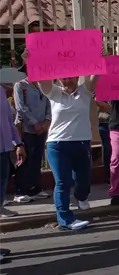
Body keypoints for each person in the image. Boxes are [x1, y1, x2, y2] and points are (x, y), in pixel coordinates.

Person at [32, 63, 100, 231]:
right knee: (63, 182)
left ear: (77, 77)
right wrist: (34, 60)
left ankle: (81, 196)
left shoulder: (85, 91)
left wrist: (100, 58)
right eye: (63, 77)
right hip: (58, 144)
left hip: (82, 143)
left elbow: (96, 74)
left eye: (69, 77)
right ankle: (65, 219)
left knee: (83, 180)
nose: (66, 80)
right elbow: (42, 79)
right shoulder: (54, 93)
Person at [12, 74, 50, 203]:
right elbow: (21, 107)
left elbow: (48, 104)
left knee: (37, 158)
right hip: (27, 129)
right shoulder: (20, 85)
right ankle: (20, 191)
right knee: (25, 159)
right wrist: (34, 122)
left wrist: (47, 121)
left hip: (42, 129)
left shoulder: (43, 86)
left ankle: (34, 189)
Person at [0, 83, 26, 219]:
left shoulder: (1, 90)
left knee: (3, 178)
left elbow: (9, 121)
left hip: (4, 146)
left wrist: (18, 143)